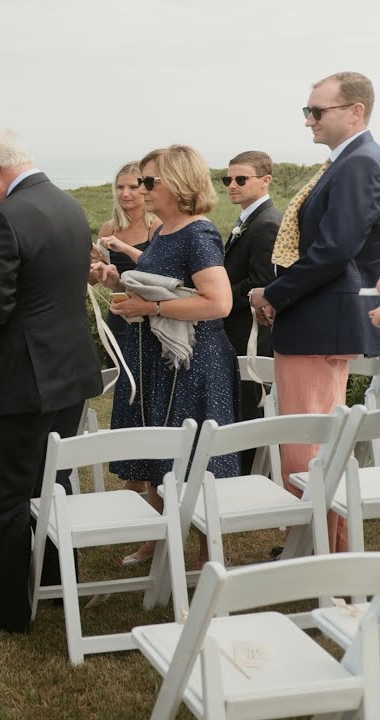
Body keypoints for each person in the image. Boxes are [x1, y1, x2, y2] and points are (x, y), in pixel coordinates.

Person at [0, 130, 102, 634]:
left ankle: (8, 607)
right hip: (69, 373)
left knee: (7, 496)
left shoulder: (6, 218)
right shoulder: (70, 206)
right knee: (50, 481)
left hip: (19, 379)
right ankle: (54, 581)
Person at [250, 71, 380, 553]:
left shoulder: (358, 163)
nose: (308, 120)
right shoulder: (349, 161)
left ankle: (325, 551)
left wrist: (274, 294)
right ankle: (315, 544)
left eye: (316, 111)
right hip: (324, 318)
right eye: (306, 111)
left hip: (318, 321)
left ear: (355, 112)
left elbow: (335, 249)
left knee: (306, 446)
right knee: (317, 440)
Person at [93, 145, 241, 565]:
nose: (142, 188)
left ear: (178, 183)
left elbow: (219, 303)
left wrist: (151, 308)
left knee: (193, 461)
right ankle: (160, 541)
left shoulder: (198, 232)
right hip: (160, 361)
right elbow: (163, 280)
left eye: (149, 181)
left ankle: (200, 556)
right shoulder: (164, 231)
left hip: (193, 364)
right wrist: (116, 279)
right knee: (160, 459)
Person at [94, 163, 161, 489]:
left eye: (133, 187)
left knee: (149, 392)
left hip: (152, 319)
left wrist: (124, 250)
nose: (126, 193)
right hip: (120, 318)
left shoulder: (157, 226)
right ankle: (134, 469)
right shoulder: (110, 226)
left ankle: (149, 473)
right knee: (128, 393)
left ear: (145, 188)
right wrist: (98, 269)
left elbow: (160, 276)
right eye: (120, 187)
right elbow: (115, 283)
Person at [220, 151, 283, 474]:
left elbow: (261, 282)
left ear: (265, 180)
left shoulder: (267, 223)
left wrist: (216, 296)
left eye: (241, 179)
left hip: (250, 332)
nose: (232, 185)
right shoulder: (249, 219)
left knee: (249, 403)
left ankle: (247, 474)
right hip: (237, 329)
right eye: (227, 179)